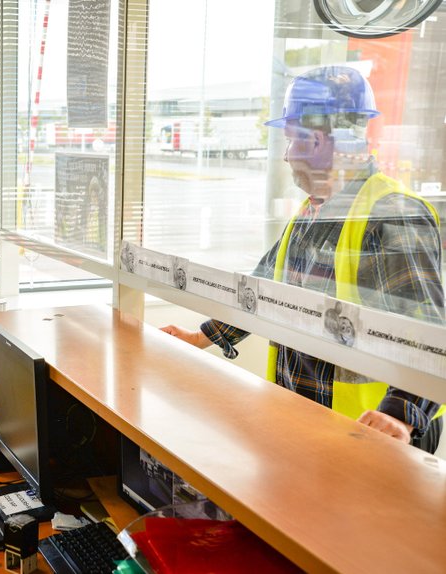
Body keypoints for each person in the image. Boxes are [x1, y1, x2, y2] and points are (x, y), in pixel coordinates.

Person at [162, 65, 444, 453]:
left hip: (375, 440)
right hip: (306, 424)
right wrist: (202, 336)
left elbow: (430, 333)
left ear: (316, 141)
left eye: (291, 140)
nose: (287, 155)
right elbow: (263, 289)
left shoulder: (390, 214)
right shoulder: (312, 213)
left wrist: (401, 414)